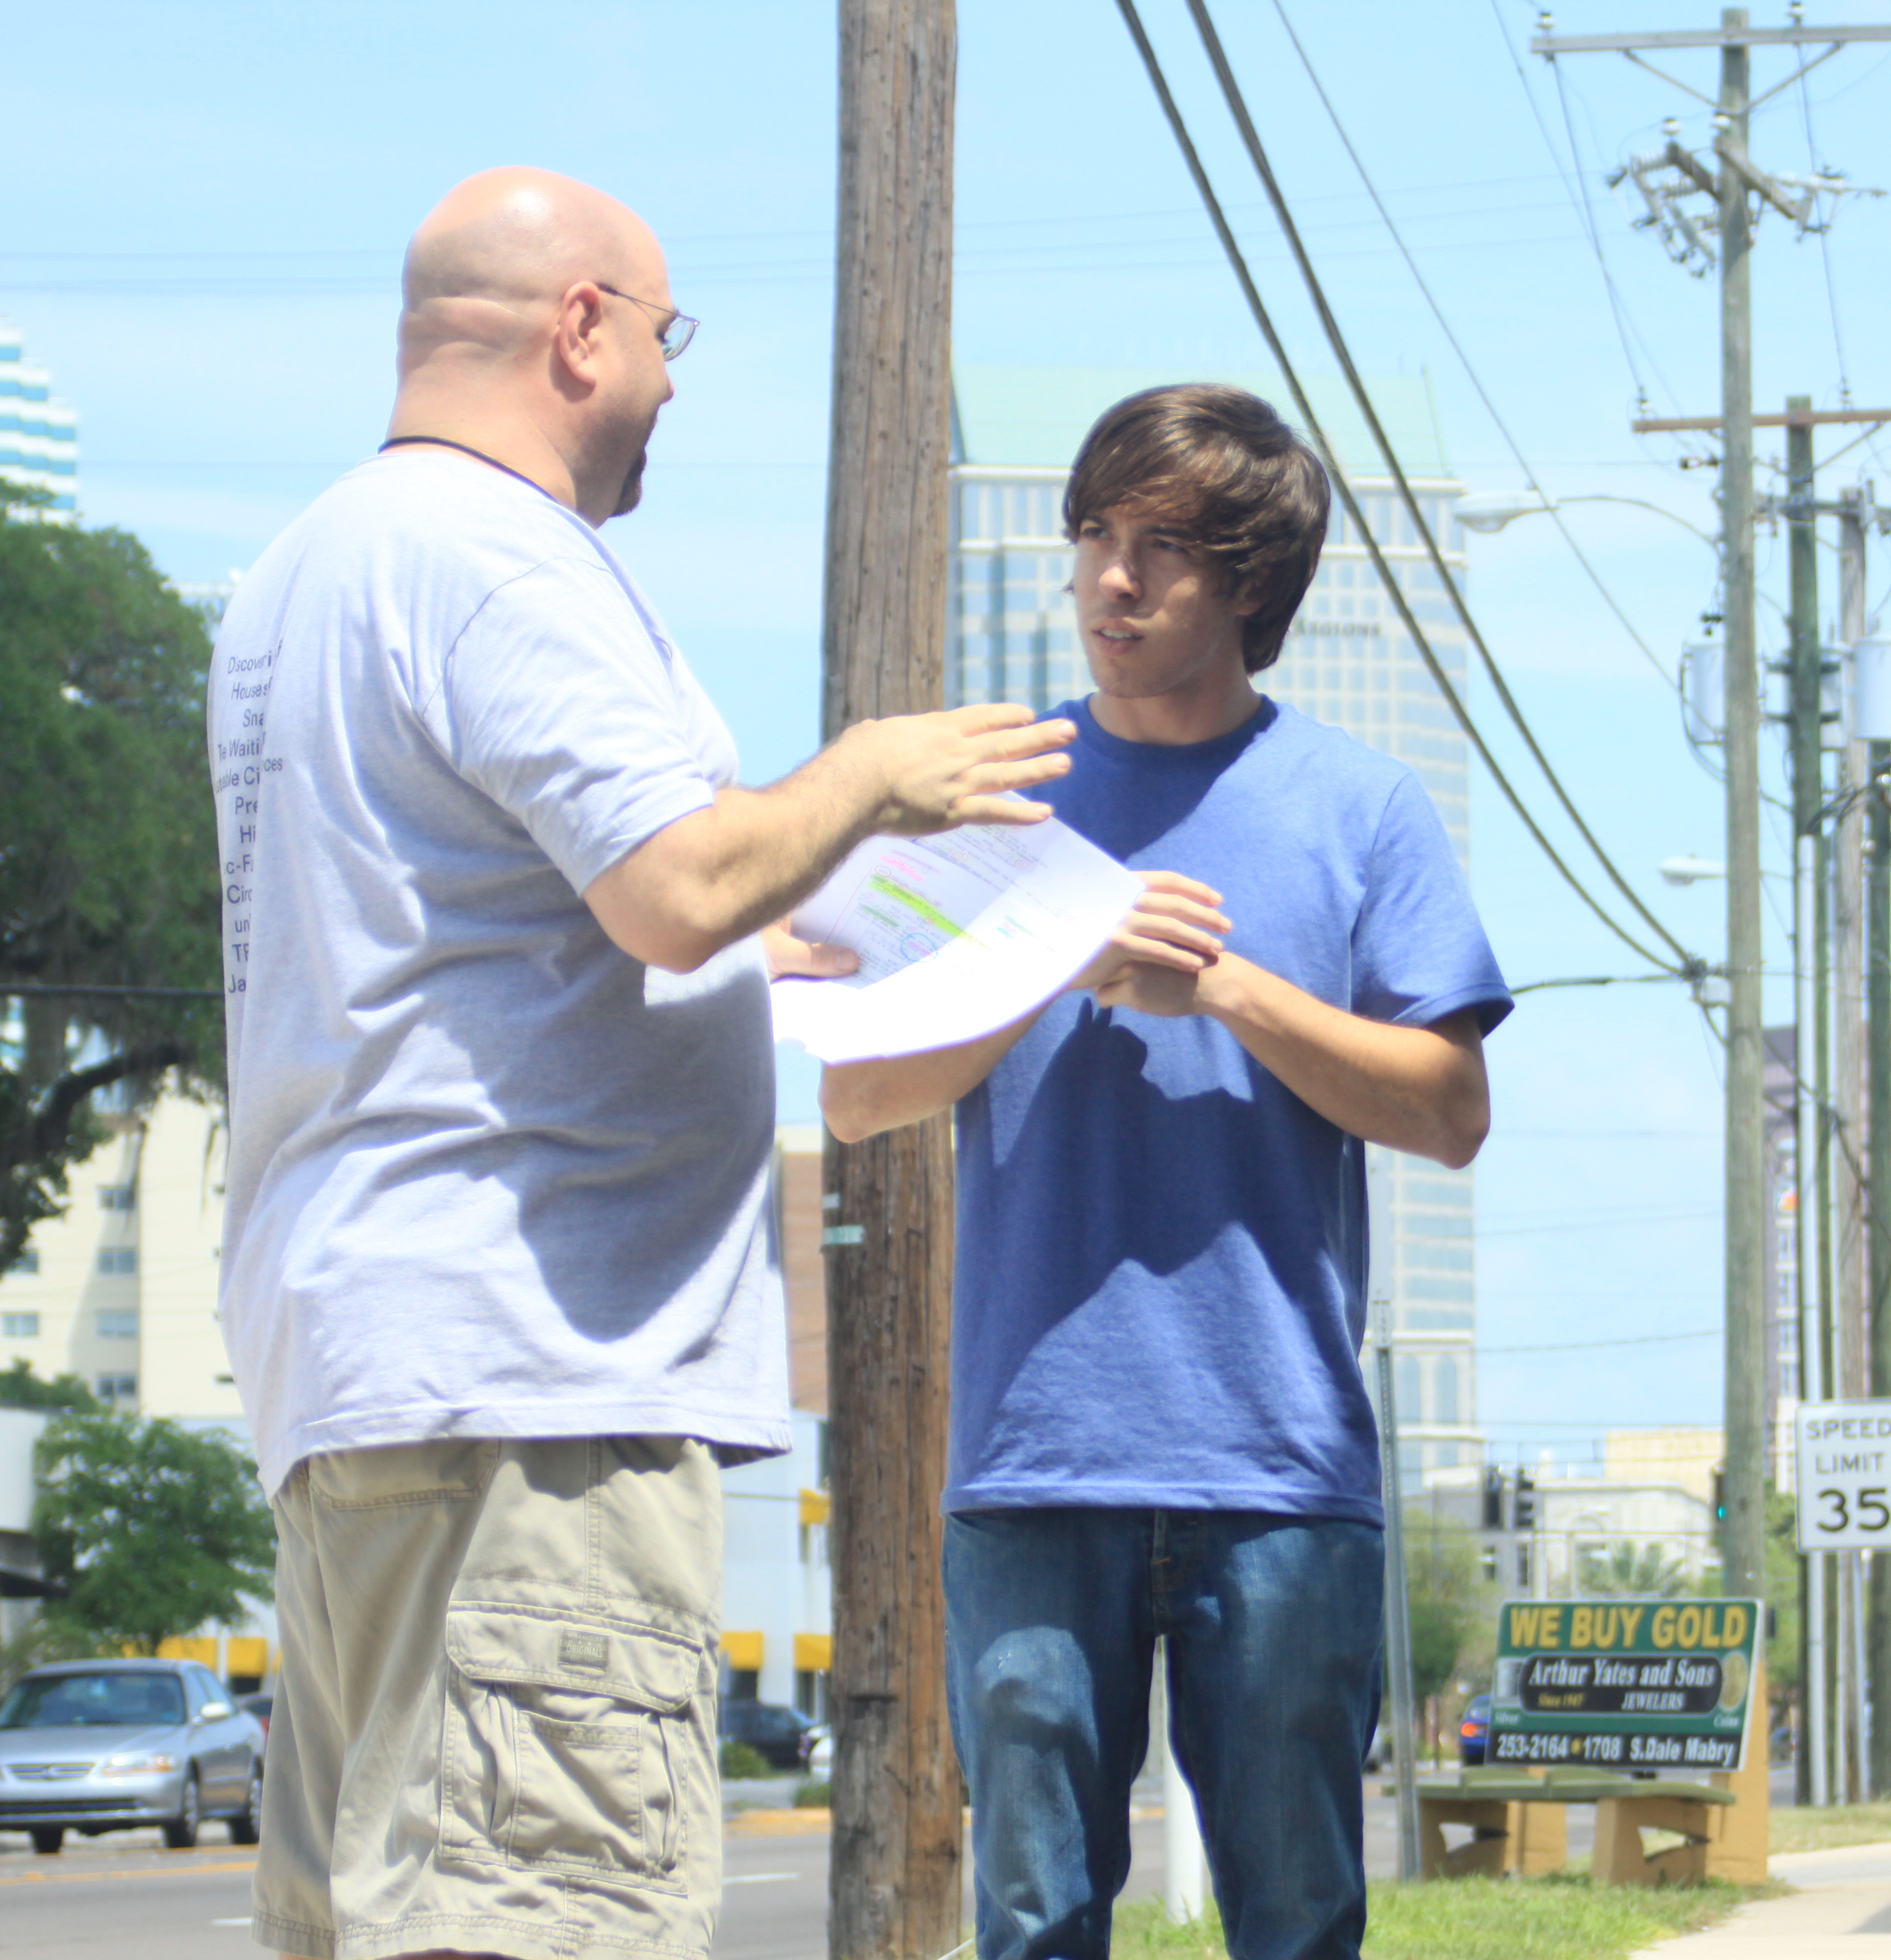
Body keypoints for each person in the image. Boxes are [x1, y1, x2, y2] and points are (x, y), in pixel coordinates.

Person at [207, 167, 1071, 1960]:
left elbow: (499, 926)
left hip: (366, 1379)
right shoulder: (506, 562)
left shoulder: (311, 570)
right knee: (543, 1923)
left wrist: (794, 942)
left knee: (393, 1919)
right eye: (666, 339)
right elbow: (674, 890)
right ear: (583, 326)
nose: (674, 386)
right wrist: (872, 779)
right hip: (536, 1399)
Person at [821, 383, 1510, 1960]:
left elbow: (1453, 1110)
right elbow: (862, 1093)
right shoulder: (983, 796)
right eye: (1093, 538)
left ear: (1251, 585)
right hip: (1032, 1457)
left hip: (1278, 1471)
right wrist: (1052, 952)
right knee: (1035, 1921)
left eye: (1161, 549)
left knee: (1297, 1922)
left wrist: (1232, 993)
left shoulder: (1361, 807)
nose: (1109, 582)